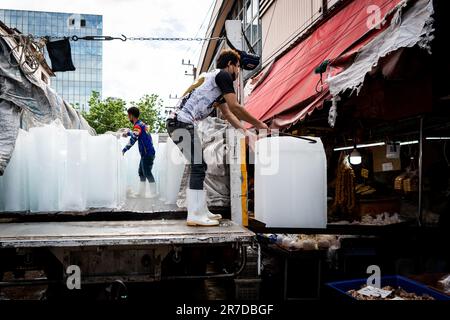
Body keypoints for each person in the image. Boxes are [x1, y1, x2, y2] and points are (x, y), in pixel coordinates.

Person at [167, 49, 268, 227]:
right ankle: (195, 214)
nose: (238, 71)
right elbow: (235, 107)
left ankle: (201, 210)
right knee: (198, 166)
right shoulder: (223, 75)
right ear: (230, 65)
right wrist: (259, 124)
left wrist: (246, 132)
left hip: (180, 123)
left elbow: (229, 115)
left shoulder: (215, 82)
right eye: (237, 67)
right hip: (180, 123)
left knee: (200, 165)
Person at [122, 107, 157, 198]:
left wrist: (124, 149)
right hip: (147, 153)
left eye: (128, 115)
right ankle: (142, 193)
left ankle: (154, 193)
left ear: (132, 115)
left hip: (147, 154)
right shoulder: (142, 125)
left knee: (147, 172)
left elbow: (134, 136)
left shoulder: (138, 125)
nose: (127, 116)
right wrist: (129, 133)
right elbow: (135, 136)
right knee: (141, 172)